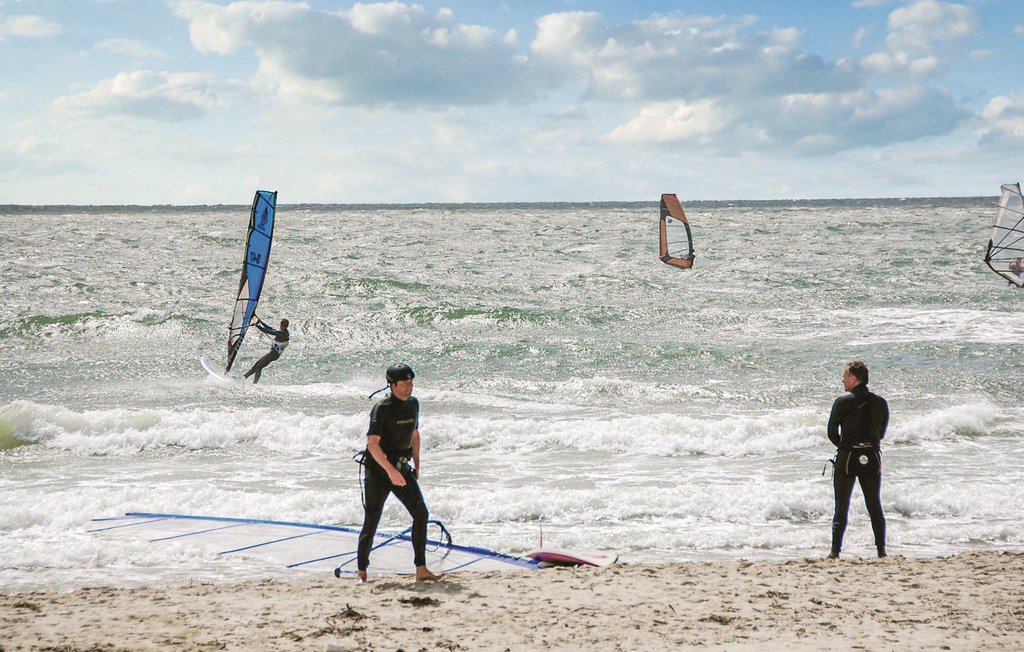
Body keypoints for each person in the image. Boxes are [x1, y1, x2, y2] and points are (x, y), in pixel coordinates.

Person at [356, 363, 441, 583]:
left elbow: (414, 433)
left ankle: (421, 569)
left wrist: (418, 464)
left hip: (402, 469)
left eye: (411, 383)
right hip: (378, 470)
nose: (408, 387)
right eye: (404, 383)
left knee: (421, 514)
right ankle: (362, 572)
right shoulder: (382, 408)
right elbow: (373, 445)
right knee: (372, 519)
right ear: (392, 385)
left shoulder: (413, 404)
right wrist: (390, 471)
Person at [826, 361, 890, 559]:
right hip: (871, 457)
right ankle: (881, 550)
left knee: (841, 506)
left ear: (854, 378)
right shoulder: (880, 403)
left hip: (847, 459)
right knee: (874, 505)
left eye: (845, 376)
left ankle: (835, 552)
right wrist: (868, 445)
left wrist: (845, 447)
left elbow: (831, 433)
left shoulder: (842, 402)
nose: (842, 379)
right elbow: (882, 432)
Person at [243, 317, 289, 384]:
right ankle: (244, 378)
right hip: (273, 354)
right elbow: (271, 329)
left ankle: (254, 383)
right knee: (256, 365)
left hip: (273, 354)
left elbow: (268, 331)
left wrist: (257, 326)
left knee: (259, 367)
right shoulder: (284, 332)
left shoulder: (281, 333)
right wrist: (261, 322)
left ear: (281, 324)